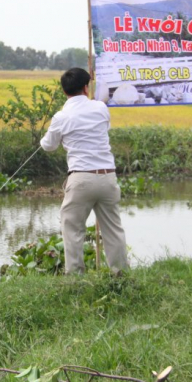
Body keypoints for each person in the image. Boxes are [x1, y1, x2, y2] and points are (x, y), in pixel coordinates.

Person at [40, 67, 129, 275]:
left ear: (64, 91)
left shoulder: (61, 117)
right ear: (86, 88)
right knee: (113, 230)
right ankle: (120, 275)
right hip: (107, 177)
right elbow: (103, 129)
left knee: (72, 229)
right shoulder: (100, 108)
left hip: (80, 180)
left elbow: (48, 146)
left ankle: (76, 278)